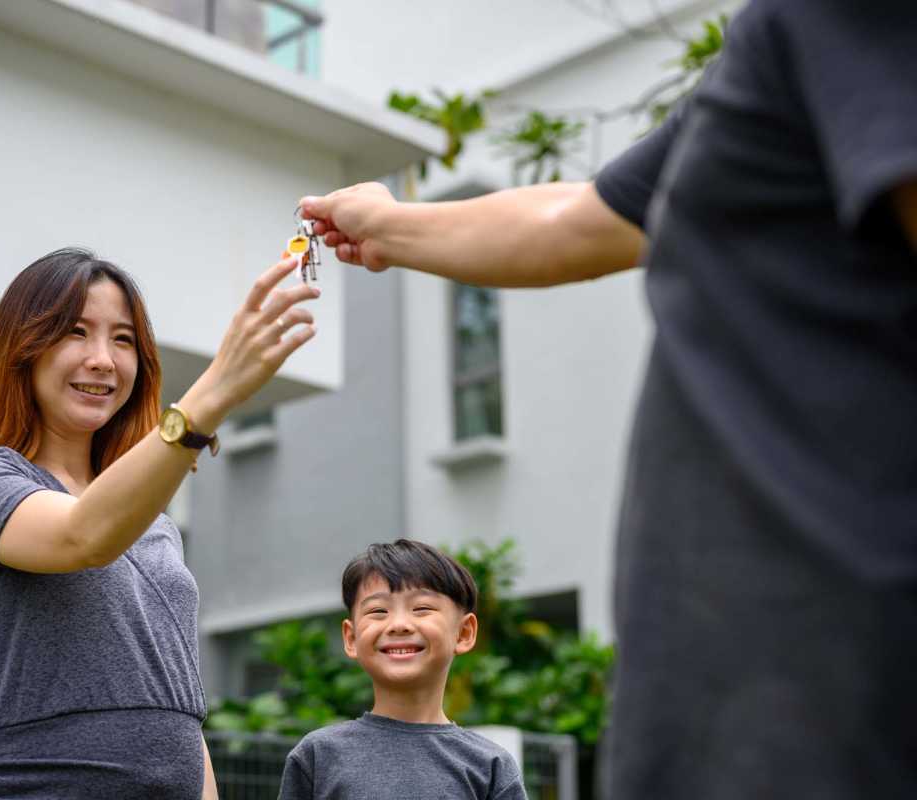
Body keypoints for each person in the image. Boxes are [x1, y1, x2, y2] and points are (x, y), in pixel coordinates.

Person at [300, 2, 917, 796]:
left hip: (847, 668)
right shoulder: (780, 44)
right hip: (738, 684)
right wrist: (388, 226)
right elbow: (581, 220)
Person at [0, 247, 318, 798]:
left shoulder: (154, 524)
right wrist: (213, 392)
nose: (103, 360)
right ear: (23, 348)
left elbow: (177, 709)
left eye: (122, 340)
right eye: (76, 333)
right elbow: (82, 536)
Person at [278, 539, 527, 800]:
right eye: (378, 610)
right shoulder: (318, 756)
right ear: (351, 638)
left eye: (421, 609)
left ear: (464, 633)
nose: (398, 624)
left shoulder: (490, 766)